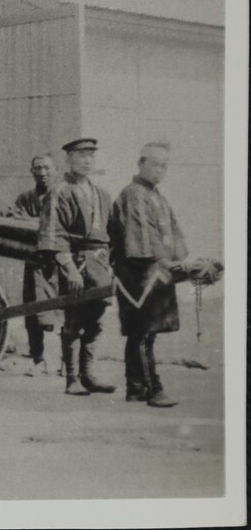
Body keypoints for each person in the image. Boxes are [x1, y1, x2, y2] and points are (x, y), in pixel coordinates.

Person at [109, 141, 189, 408]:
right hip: (138, 274)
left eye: (164, 166)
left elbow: (175, 235)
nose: (159, 171)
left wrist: (180, 261)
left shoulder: (157, 197)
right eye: (154, 164)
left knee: (143, 334)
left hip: (156, 271)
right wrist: (167, 263)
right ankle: (153, 388)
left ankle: (136, 388)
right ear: (141, 163)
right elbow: (140, 243)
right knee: (142, 333)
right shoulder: (133, 194)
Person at [37, 137, 116, 396]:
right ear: (69, 160)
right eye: (81, 156)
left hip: (100, 264)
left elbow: (112, 234)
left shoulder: (102, 194)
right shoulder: (59, 191)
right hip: (75, 264)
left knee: (96, 322)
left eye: (91, 156)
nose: (87, 161)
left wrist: (111, 265)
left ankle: (88, 375)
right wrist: (69, 268)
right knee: (74, 321)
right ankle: (71, 379)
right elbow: (54, 233)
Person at [9, 153, 60, 376]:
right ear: (32, 172)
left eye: (47, 168)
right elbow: (16, 223)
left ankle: (64, 363)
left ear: (55, 170)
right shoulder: (24, 198)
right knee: (32, 312)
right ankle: (38, 360)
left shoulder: (63, 195)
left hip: (59, 264)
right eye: (38, 168)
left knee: (63, 312)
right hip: (33, 262)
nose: (43, 173)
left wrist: (37, 224)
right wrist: (42, 225)